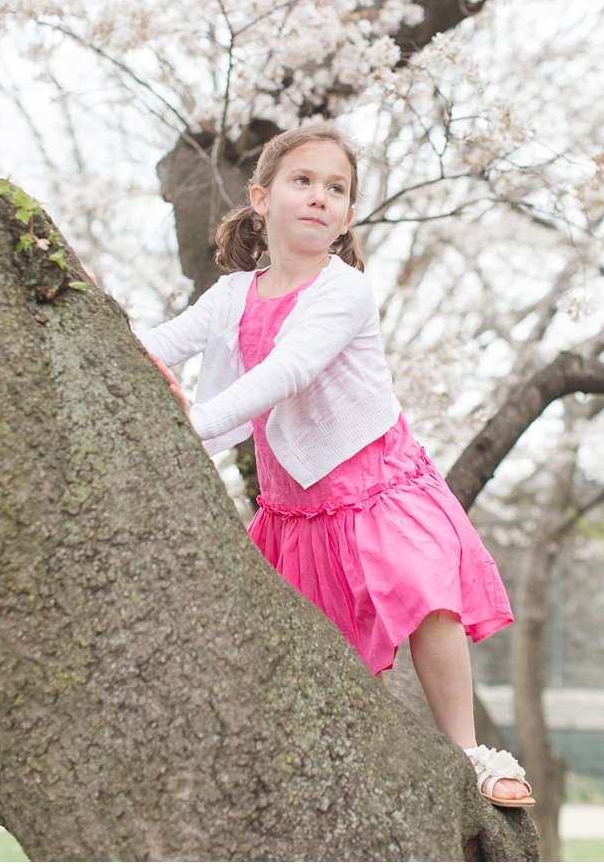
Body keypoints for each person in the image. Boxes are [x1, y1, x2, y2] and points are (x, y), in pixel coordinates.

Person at [138, 125, 533, 809]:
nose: (319, 197)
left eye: (336, 188)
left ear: (347, 215)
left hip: (375, 483)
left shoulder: (344, 291)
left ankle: (468, 750)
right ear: (261, 198)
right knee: (331, 652)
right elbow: (163, 343)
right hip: (297, 505)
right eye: (303, 181)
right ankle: (348, 778)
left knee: (424, 594)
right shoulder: (233, 295)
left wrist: (190, 429)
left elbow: (290, 370)